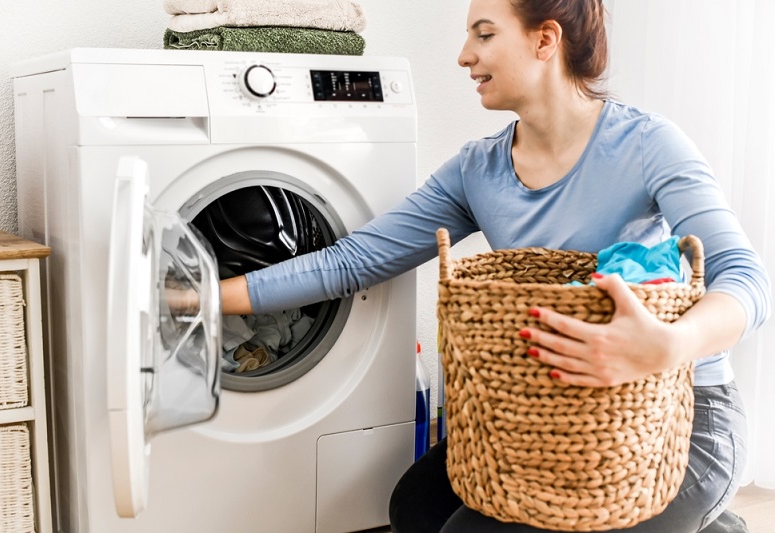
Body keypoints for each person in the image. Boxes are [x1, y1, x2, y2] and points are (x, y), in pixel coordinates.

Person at [214, 0, 771, 530]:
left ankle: (707, 517)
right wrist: (203, 299)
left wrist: (669, 345)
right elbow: (354, 261)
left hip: (672, 423)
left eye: (484, 34)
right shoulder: (478, 170)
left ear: (545, 40)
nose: (463, 55)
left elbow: (746, 280)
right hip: (552, 415)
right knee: (414, 510)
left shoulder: (647, 145)